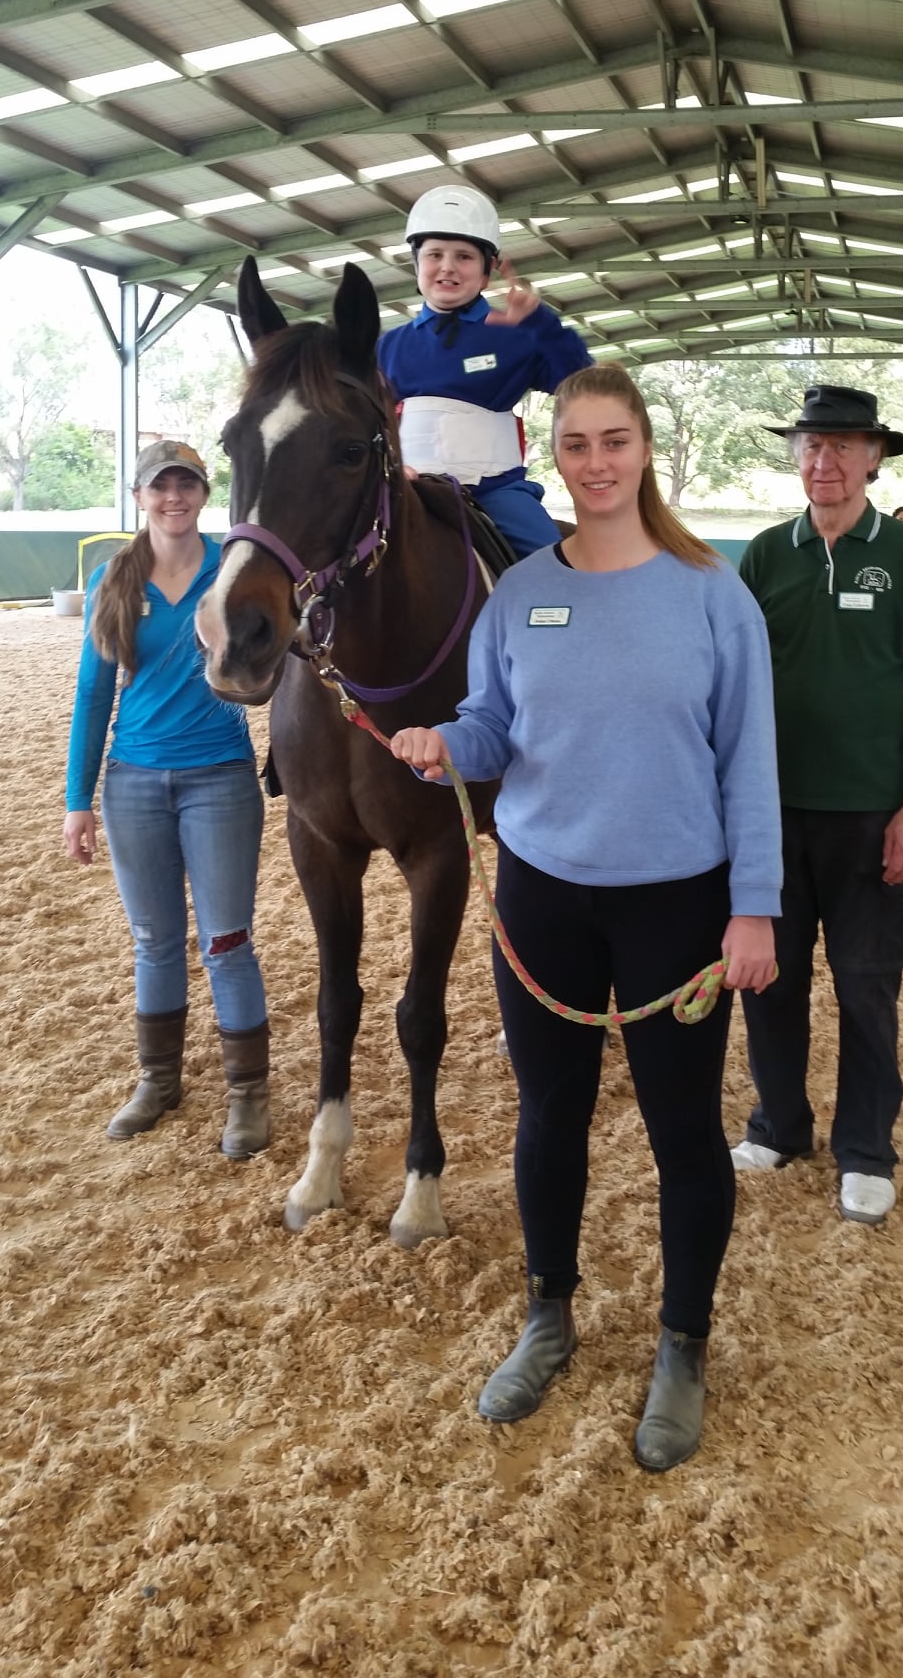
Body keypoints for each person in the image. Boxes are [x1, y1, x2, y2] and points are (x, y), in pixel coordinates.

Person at [390, 363, 781, 1473]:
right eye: (576, 444)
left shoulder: (713, 593)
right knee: (549, 1114)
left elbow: (749, 759)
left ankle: (683, 1344)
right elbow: (492, 727)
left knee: (681, 1129)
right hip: (542, 893)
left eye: (614, 441)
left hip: (678, 900)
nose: (596, 463)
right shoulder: (519, 596)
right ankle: (548, 1314)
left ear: (644, 450)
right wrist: (442, 746)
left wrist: (754, 908)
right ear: (550, 457)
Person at [732, 385, 903, 1227]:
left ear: (873, 458)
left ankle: (865, 1148)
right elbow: (733, 685)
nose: (823, 461)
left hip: (871, 814)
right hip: (771, 814)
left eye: (842, 446)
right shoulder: (764, 555)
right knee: (770, 982)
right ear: (795, 457)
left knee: (866, 987)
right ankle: (779, 1126)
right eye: (810, 446)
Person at [62, 440, 271, 1159]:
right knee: (153, 941)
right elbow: (93, 694)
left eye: (186, 485)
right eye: (160, 486)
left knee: (227, 941)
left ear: (204, 494)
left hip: (220, 779)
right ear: (140, 497)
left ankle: (248, 1093)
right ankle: (158, 1080)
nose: (173, 497)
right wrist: (78, 799)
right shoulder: (114, 578)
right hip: (133, 781)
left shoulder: (233, 569)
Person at [378, 184, 591, 557]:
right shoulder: (387, 345)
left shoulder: (517, 336)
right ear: (416, 264)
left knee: (553, 564)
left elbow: (581, 383)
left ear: (487, 270)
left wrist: (542, 325)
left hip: (494, 491)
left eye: (463, 256)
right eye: (434, 255)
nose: (447, 266)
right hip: (403, 484)